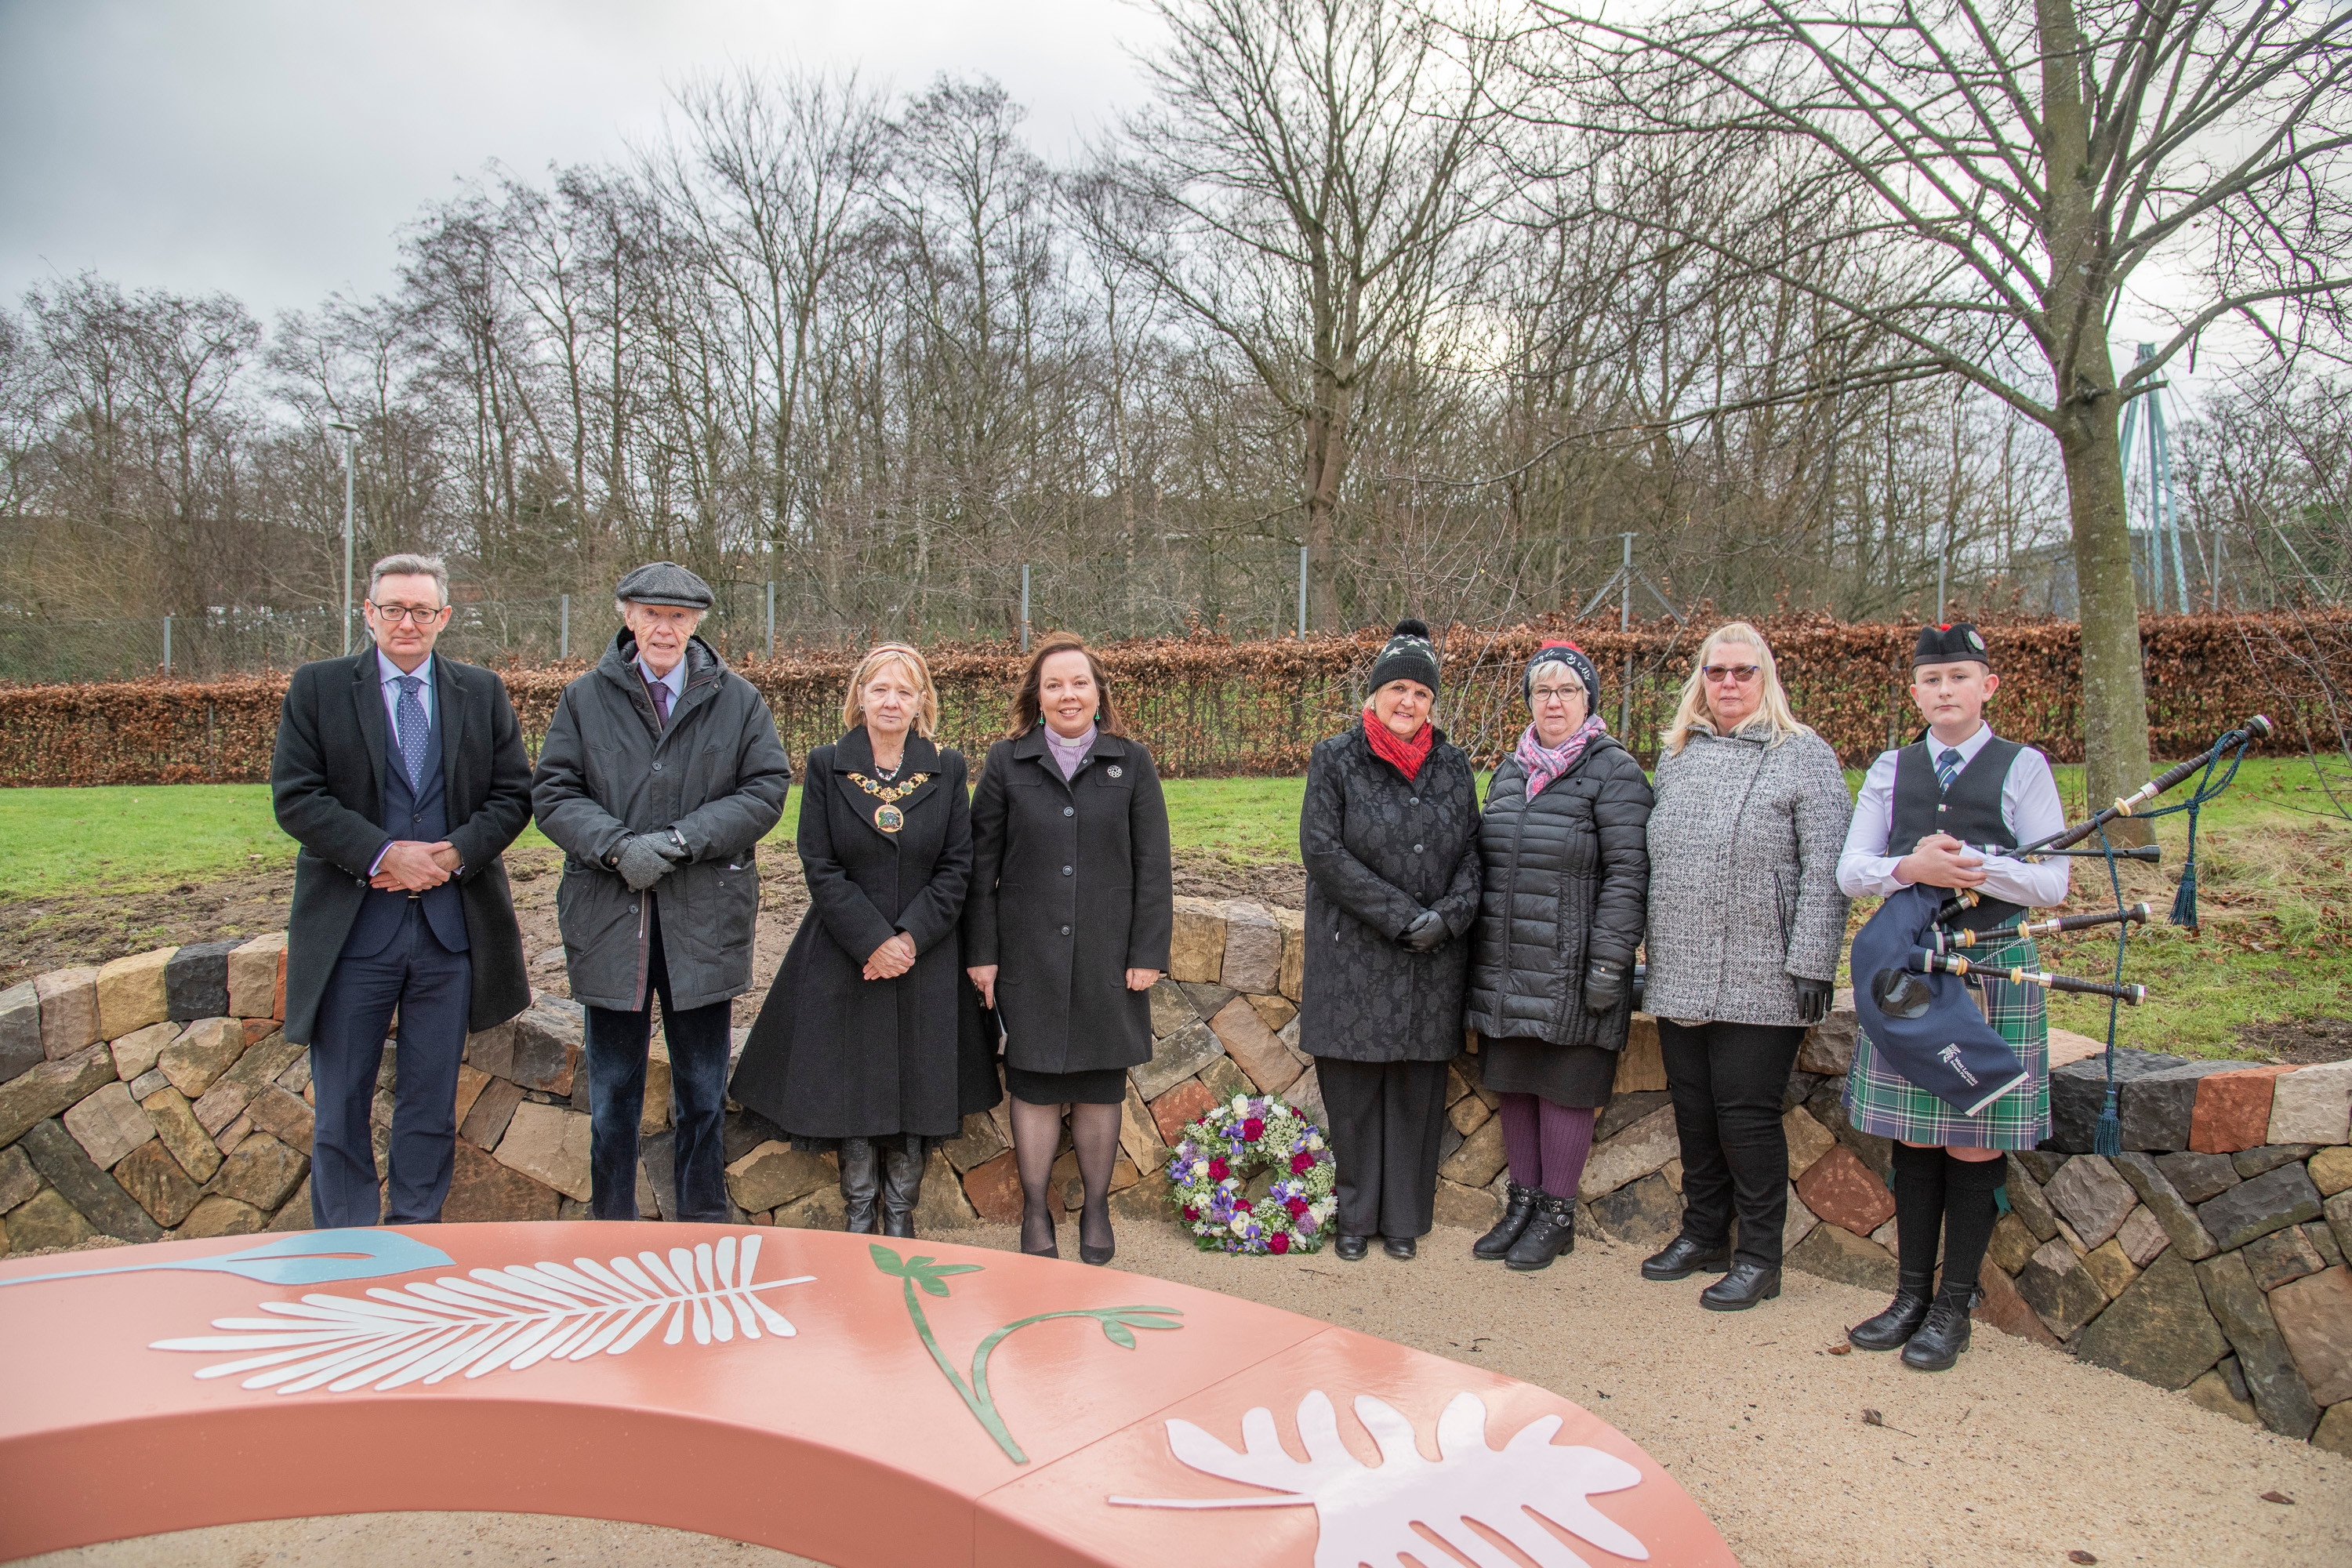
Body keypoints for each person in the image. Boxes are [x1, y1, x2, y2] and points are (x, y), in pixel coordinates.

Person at [271, 552, 532, 1228]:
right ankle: (346, 1250)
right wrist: (383, 853)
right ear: (369, 614)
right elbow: (297, 798)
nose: (407, 622)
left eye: (421, 610)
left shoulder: (481, 690)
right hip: (355, 933)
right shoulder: (319, 688)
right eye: (393, 609)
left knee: (429, 1103)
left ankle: (414, 1237)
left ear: (443, 617)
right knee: (340, 1106)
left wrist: (451, 855)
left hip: (450, 934)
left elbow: (513, 797)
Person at [1837, 622, 2067, 1370]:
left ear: (1988, 686)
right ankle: (1909, 1296)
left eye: (1960, 678)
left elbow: (2052, 880)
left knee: (1973, 1139)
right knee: (1916, 1134)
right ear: (1915, 691)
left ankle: (1953, 1304)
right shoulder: (1890, 767)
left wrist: (1966, 866)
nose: (1945, 691)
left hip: (1993, 965)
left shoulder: (2022, 767)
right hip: (1909, 968)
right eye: (1932, 681)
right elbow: (1854, 869)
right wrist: (1910, 869)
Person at [532, 562, 793, 1224]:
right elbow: (555, 793)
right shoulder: (582, 700)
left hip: (703, 923)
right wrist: (618, 846)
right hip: (610, 922)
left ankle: (703, 1218)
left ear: (697, 624)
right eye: (651, 613)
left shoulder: (739, 701)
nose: (665, 628)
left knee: (702, 1088)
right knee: (614, 1089)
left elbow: (765, 790)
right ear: (628, 617)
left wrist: (678, 842)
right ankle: (611, 1223)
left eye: (678, 617)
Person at [729, 644, 1000, 1236]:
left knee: (918, 1083)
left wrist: (908, 938)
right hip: (844, 952)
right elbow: (819, 863)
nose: (892, 701)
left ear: (923, 701)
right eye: (880, 689)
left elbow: (958, 866)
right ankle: (859, 1216)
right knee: (852, 1084)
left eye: (905, 691)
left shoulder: (947, 768)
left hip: (927, 955)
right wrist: (873, 941)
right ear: (859, 697)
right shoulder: (827, 764)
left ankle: (899, 1217)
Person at [1640, 622, 1855, 1308]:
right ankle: (1705, 1231)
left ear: (1766, 679)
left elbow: (1828, 869)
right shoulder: (1677, 755)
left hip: (1764, 973)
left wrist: (1815, 962)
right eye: (1716, 671)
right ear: (1699, 680)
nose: (1728, 684)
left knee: (1746, 1117)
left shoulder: (1804, 756)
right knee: (1695, 1112)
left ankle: (1761, 1255)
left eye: (1742, 671)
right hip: (1678, 965)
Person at [964, 635, 1172, 1265]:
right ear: (1037, 696)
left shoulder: (1130, 763)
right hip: (1027, 955)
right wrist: (982, 954)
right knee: (1031, 1085)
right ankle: (1035, 1213)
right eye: (1054, 685)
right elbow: (979, 871)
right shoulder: (1006, 763)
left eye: (1079, 683)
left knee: (1099, 1087)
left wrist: (1148, 952)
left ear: (1098, 692)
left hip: (1108, 958)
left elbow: (1153, 866)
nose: (1068, 695)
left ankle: (1098, 1208)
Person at [1464, 641, 1653, 1272]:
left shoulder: (1613, 770)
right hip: (1509, 957)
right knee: (1515, 1082)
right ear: (1528, 701)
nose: (1554, 701)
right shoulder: (1511, 771)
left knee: (1566, 1087)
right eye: (1543, 690)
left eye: (1567, 690)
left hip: (1576, 961)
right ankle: (1520, 1205)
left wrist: (1609, 961)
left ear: (1588, 700)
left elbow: (1630, 873)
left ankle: (1556, 1215)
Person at [1299, 619, 1482, 1262]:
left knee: (1413, 1096)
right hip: (1355, 954)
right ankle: (1355, 1218)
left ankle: (1403, 1220)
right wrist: (1404, 915)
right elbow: (1321, 851)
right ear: (1373, 695)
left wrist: (1449, 917)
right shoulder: (1336, 758)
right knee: (1353, 1096)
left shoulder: (1454, 765)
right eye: (1398, 688)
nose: (1409, 702)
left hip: (1428, 963)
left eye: (1422, 693)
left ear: (1433, 703)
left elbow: (1474, 854)